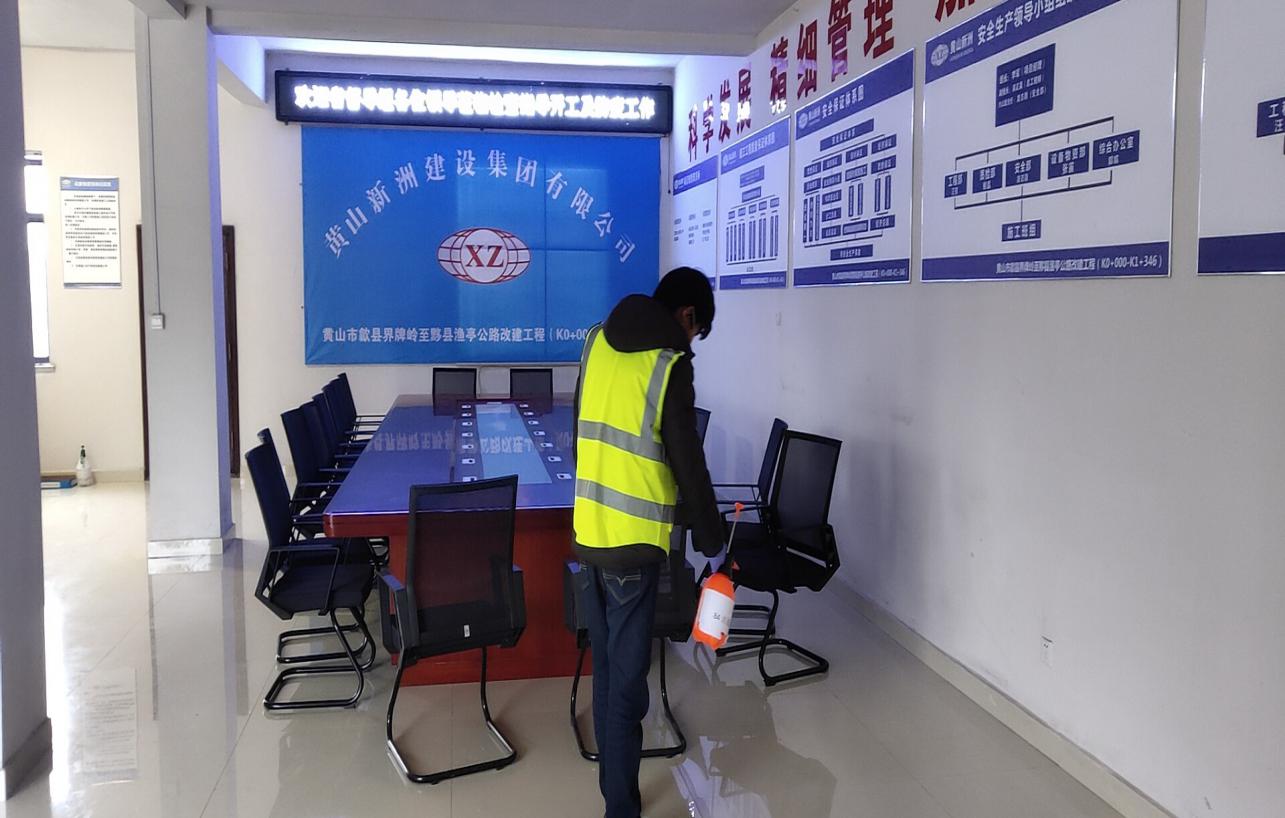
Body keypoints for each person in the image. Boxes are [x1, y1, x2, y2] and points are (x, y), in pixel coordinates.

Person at [573, 266, 724, 818]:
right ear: (687, 315)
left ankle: (613, 791)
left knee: (607, 672)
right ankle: (620, 808)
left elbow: (580, 430)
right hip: (633, 549)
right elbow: (688, 462)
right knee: (628, 687)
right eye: (696, 331)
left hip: (589, 533)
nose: (693, 343)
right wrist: (712, 537)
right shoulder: (670, 364)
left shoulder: (597, 341)